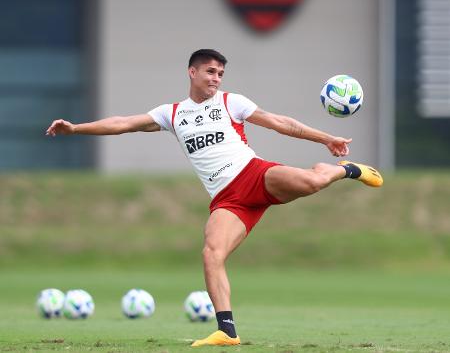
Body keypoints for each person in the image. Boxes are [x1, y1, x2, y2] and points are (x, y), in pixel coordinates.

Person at [46, 49, 383, 347]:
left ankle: (346, 170)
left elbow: (281, 123)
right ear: (192, 72)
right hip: (228, 200)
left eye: (220, 73)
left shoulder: (230, 102)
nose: (216, 78)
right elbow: (122, 123)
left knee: (312, 182)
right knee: (211, 253)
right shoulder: (173, 113)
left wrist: (326, 138)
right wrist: (76, 128)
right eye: (210, 71)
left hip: (254, 174)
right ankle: (227, 331)